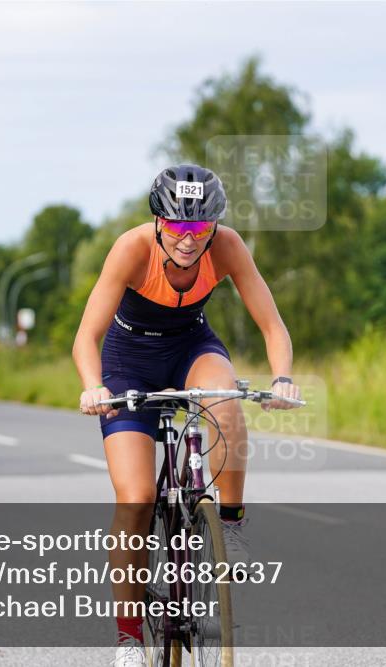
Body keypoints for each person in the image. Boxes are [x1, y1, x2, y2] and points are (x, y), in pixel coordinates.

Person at [73, 164, 302, 665]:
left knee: (226, 402)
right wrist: (93, 387)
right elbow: (85, 336)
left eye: (199, 229)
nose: (188, 240)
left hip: (191, 346)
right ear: (159, 221)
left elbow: (272, 323)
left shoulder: (227, 246)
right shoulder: (132, 248)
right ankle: (130, 638)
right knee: (135, 498)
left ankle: (230, 523)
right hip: (128, 362)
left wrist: (282, 376)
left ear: (214, 226)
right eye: (177, 228)